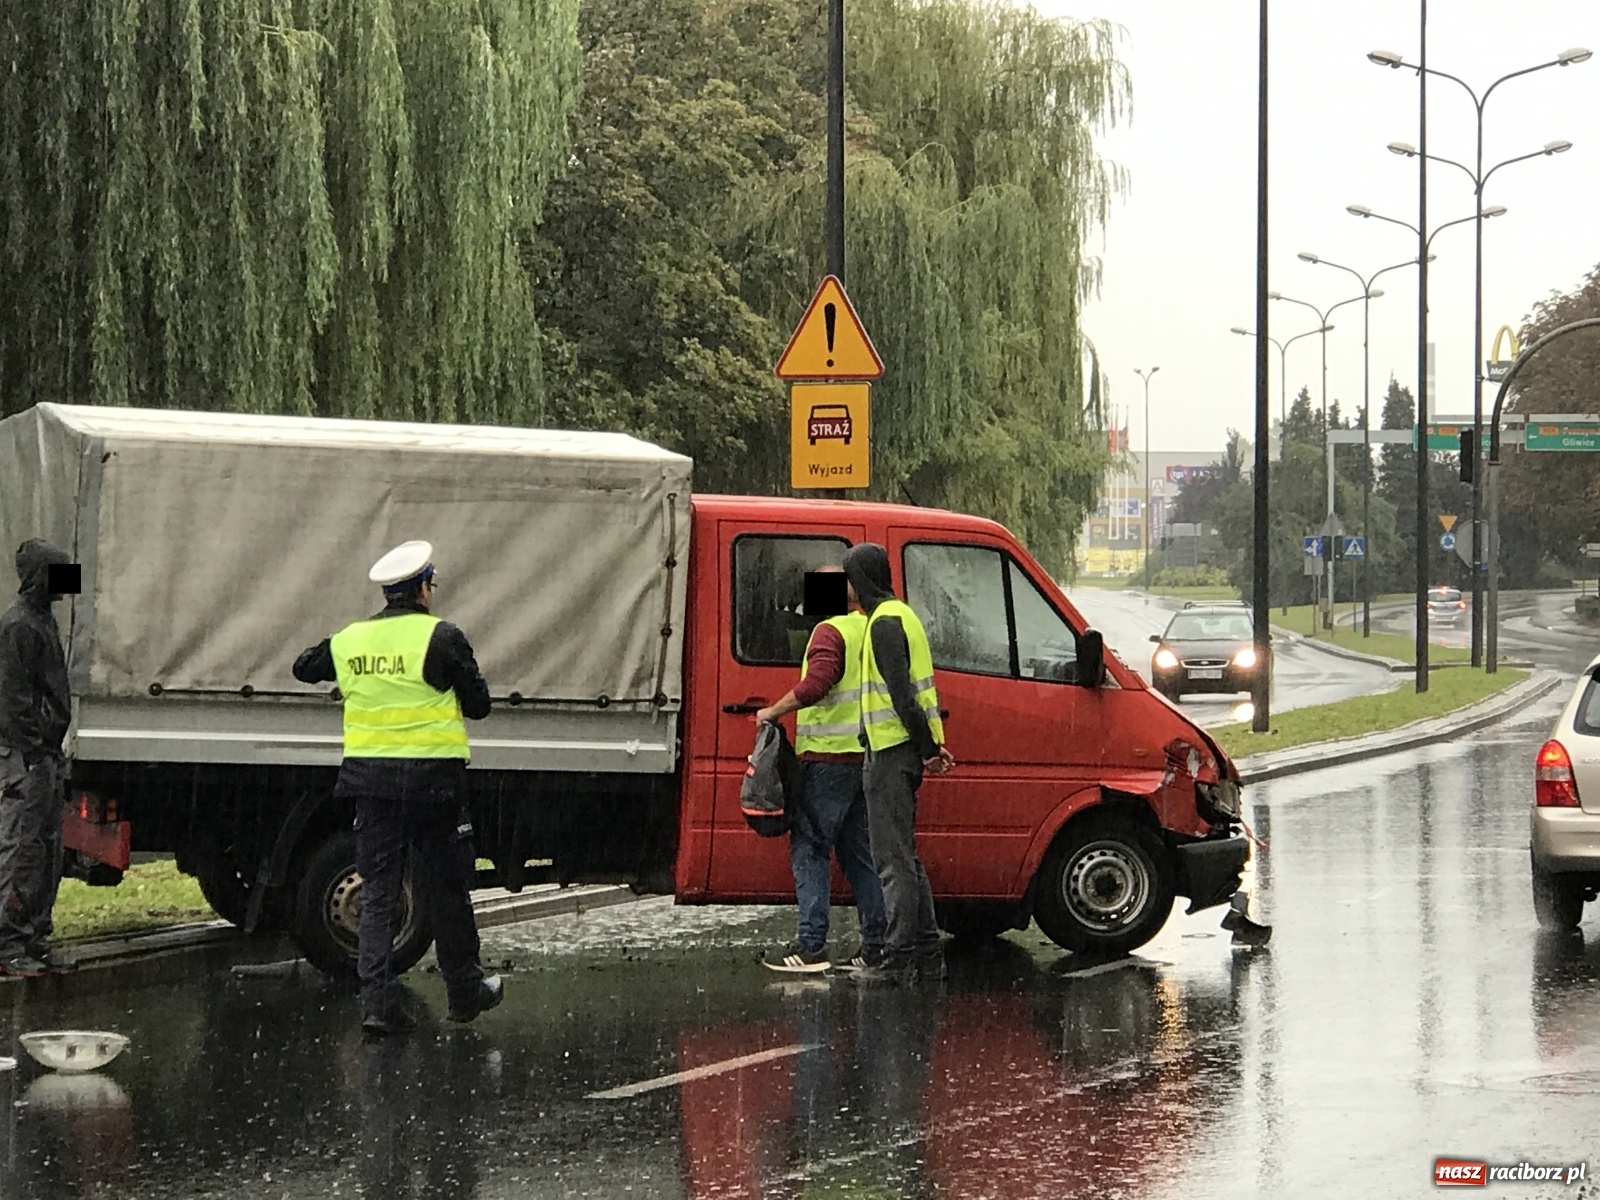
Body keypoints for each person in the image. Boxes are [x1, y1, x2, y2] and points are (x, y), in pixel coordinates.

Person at [293, 540, 502, 1037]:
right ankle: (464, 994)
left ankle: (376, 1005)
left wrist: (349, 680)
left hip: (372, 785)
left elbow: (304, 667)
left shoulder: (350, 640)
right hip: (434, 786)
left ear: (390, 593)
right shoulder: (442, 638)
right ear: (424, 588)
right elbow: (479, 706)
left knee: (380, 891)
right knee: (448, 889)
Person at [754, 565, 887, 974]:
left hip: (827, 759)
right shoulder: (870, 628)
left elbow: (818, 683)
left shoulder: (831, 632)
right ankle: (876, 947)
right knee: (859, 854)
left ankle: (811, 946)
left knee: (809, 848)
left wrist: (772, 711)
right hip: (865, 757)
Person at [842, 543, 954, 986]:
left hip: (892, 752)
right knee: (905, 858)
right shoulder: (898, 616)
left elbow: (901, 694)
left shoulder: (885, 623)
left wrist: (926, 747)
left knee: (891, 861)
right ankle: (927, 953)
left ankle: (898, 955)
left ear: (863, 580)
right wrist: (927, 746)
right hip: (901, 749)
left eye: (850, 576)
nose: (845, 586)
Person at [0, 539, 78, 977]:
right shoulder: (17, 626)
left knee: (49, 848)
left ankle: (33, 935)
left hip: (44, 753)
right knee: (21, 847)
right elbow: (10, 700)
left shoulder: (40, 619)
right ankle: (6, 941)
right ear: (39, 577)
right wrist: (33, 747)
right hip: (26, 755)